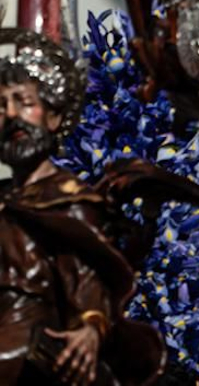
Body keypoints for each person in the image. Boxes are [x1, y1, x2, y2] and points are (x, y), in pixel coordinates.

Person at [0, 55, 163, 386]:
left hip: (22, 332)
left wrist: (91, 327)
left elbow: (87, 278)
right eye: (1, 107)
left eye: (24, 102)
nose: (12, 115)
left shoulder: (70, 201)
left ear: (54, 117)